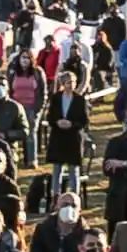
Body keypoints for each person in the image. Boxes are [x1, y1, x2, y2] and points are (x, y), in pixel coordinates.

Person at [45, 71, 89, 201]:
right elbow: (50, 116)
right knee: (57, 168)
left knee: (73, 169)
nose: (71, 85)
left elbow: (84, 121)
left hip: (73, 138)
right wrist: (57, 122)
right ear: (63, 83)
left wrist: (71, 124)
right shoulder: (56, 98)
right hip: (58, 137)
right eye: (68, 82)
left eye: (73, 82)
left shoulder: (80, 100)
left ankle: (75, 197)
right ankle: (56, 196)